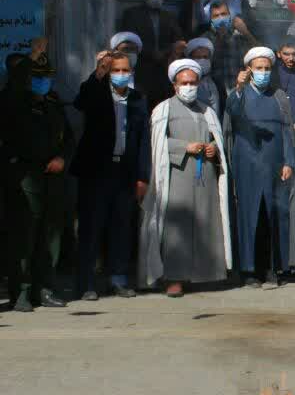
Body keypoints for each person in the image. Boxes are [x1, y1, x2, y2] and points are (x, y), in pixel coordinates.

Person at [137, 59, 231, 297]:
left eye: (192, 82)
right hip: (176, 175)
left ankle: (204, 274)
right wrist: (183, 147)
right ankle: (174, 278)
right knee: (175, 228)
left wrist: (213, 148)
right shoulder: (163, 109)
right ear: (175, 85)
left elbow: (217, 139)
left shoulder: (207, 110)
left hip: (204, 177)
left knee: (205, 222)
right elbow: (157, 144)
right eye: (184, 83)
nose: (189, 86)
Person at [70, 49, 151, 301]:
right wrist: (99, 72)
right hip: (96, 172)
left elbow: (142, 142)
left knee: (121, 227)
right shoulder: (96, 93)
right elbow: (81, 101)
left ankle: (118, 278)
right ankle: (86, 283)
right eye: (116, 70)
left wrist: (142, 177)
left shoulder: (138, 99)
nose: (121, 75)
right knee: (91, 228)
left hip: (124, 173)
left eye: (125, 70)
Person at [1, 47, 72, 311]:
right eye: (36, 76)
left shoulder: (52, 101)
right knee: (24, 236)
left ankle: (44, 288)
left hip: (53, 177)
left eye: (46, 76)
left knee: (49, 235)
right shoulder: (14, 100)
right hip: (24, 176)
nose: (43, 81)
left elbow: (69, 137)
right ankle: (21, 292)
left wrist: (63, 157)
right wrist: (30, 59)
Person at [225, 47, 295, 289]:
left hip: (274, 166)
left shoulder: (279, 96)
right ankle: (249, 269)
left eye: (267, 68)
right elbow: (232, 115)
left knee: (274, 215)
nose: (263, 73)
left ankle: (273, 267)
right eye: (258, 68)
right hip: (247, 165)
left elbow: (288, 130)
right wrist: (237, 88)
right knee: (250, 215)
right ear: (249, 70)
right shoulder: (239, 94)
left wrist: (288, 161)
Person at [120, 0, 184, 58]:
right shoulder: (132, 14)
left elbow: (178, 40)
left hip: (165, 63)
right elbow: (130, 40)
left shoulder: (169, 16)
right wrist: (151, 53)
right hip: (142, 62)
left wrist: (164, 52)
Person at [204, 0, 257, 96]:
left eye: (224, 14)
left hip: (239, 90)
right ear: (210, 19)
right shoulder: (206, 38)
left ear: (230, 15)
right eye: (216, 16)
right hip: (215, 93)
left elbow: (260, 53)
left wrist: (246, 32)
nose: (221, 18)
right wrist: (220, 37)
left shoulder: (240, 35)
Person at [110, 30, 173, 111]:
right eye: (125, 49)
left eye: (132, 50)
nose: (128, 53)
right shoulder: (107, 76)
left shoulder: (148, 78)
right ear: (115, 51)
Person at [182, 37, 221, 117]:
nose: (202, 60)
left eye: (205, 57)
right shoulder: (186, 83)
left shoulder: (216, 81)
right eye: (198, 57)